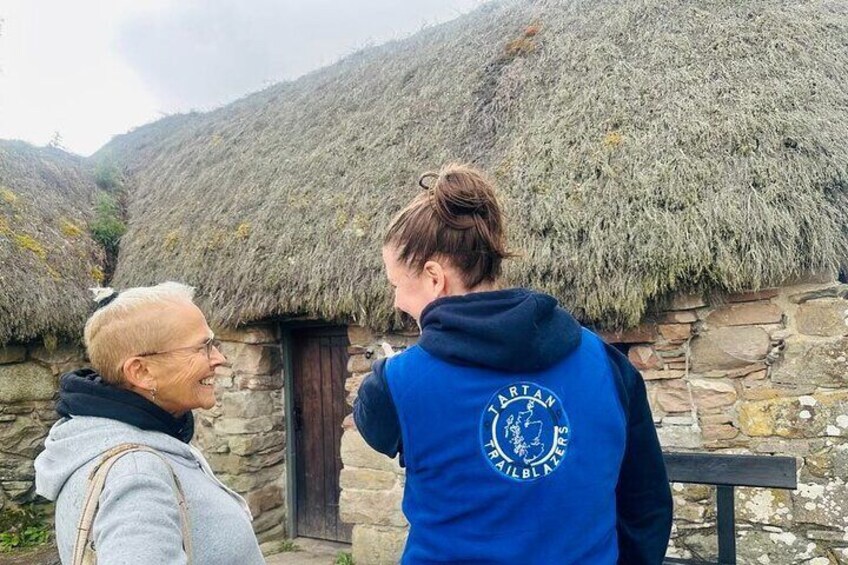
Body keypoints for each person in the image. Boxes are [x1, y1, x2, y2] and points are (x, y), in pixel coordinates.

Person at [354, 164, 673, 564]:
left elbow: (375, 420)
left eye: (397, 284)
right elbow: (646, 507)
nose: (397, 302)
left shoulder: (394, 385)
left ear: (434, 278)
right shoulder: (607, 365)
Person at [35, 282, 265, 565]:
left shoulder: (135, 439)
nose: (219, 359)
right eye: (202, 347)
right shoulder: (135, 474)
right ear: (141, 372)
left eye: (213, 344)